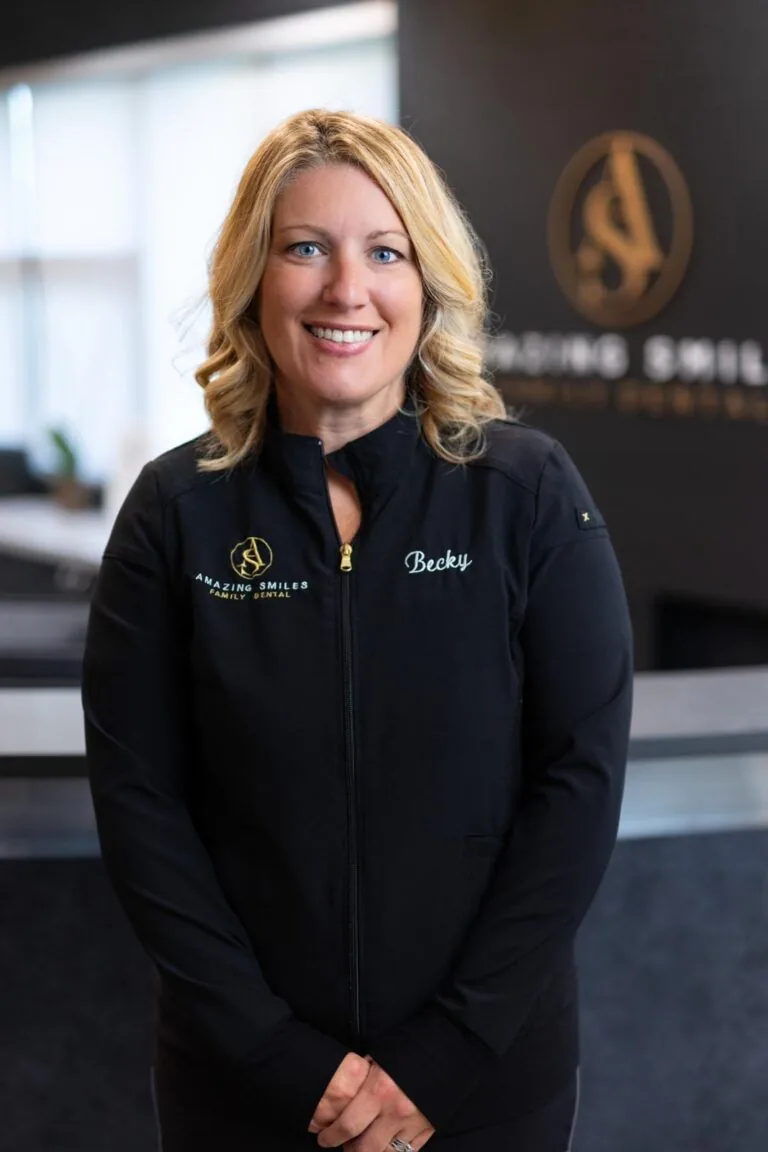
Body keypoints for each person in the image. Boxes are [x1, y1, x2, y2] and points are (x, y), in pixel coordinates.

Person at [82, 108, 633, 1152]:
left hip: (483, 1091)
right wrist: (279, 1060)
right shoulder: (175, 513)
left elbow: (579, 782)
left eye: (385, 252)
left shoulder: (524, 495)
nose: (347, 289)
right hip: (244, 1092)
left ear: (426, 285)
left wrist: (445, 1058)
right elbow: (141, 807)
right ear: (255, 276)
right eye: (306, 248)